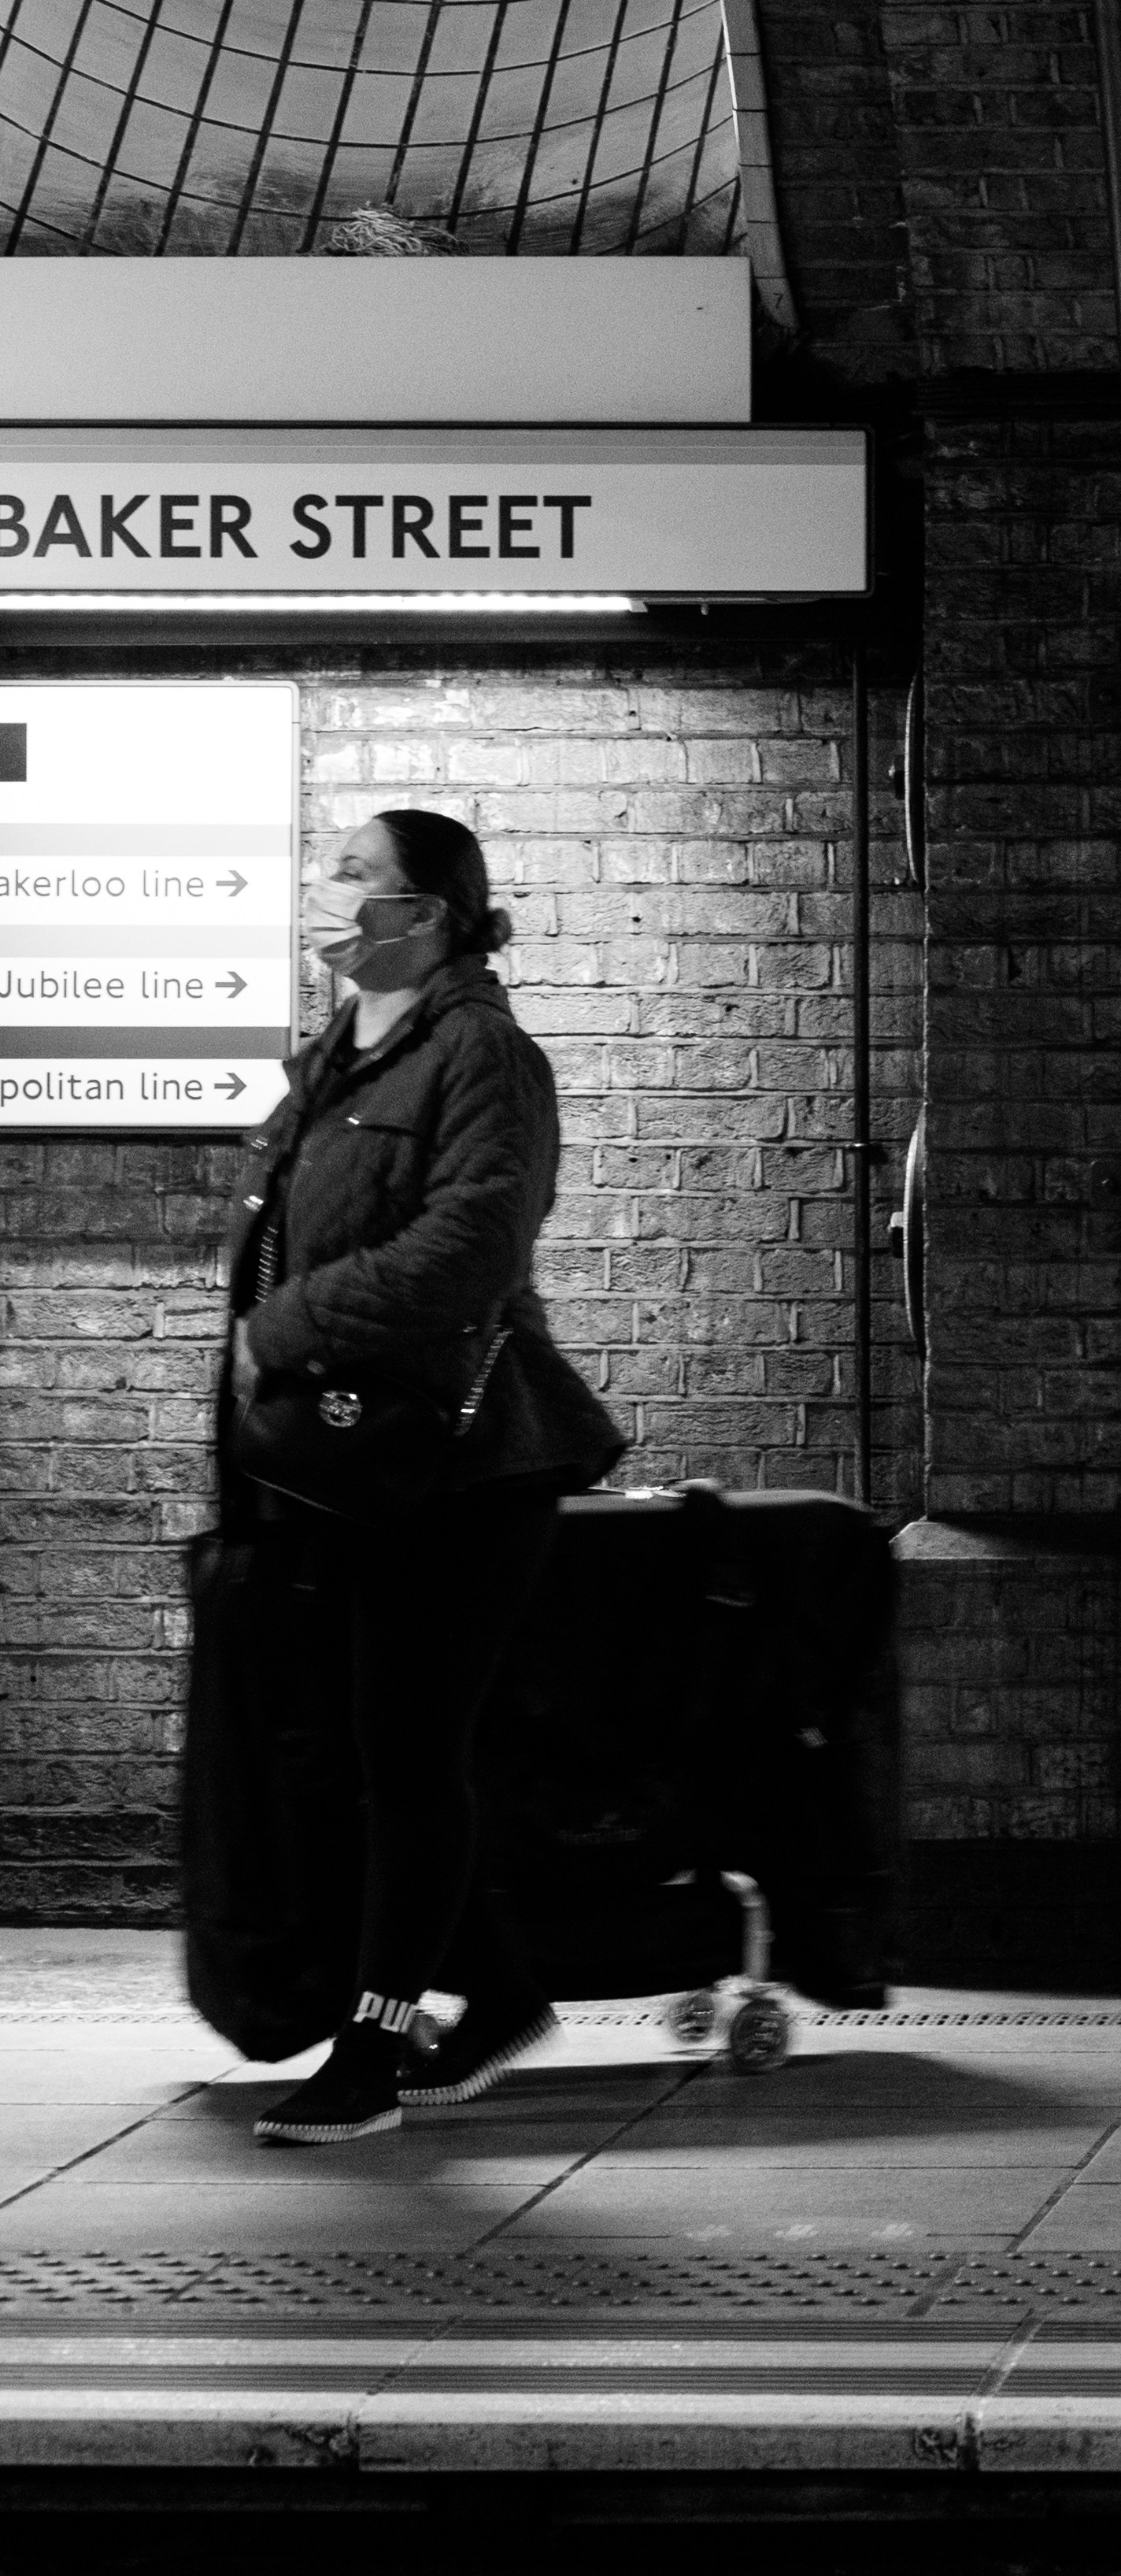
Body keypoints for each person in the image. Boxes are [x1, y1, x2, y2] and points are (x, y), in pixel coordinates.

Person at [221, 810, 624, 2144]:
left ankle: (375, 2049)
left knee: (406, 1754)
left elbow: (471, 1245)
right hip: (340, 1457)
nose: (322, 890)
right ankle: (500, 1992)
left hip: (459, 1460)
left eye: (353, 873)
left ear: (430, 911)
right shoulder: (338, 1056)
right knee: (356, 1753)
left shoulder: (485, 1054)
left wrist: (283, 1330)